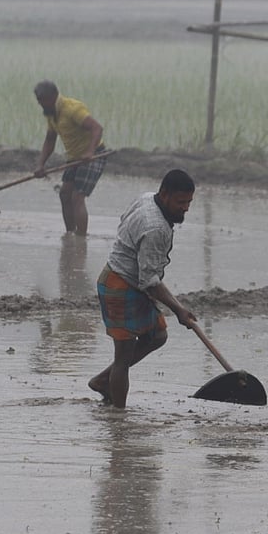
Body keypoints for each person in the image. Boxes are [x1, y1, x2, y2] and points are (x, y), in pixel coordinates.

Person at [88, 170, 198, 408]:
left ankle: (102, 380)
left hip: (128, 281)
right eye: (180, 202)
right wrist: (179, 310)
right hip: (120, 287)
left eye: (189, 202)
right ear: (165, 194)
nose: (185, 208)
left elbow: (124, 221)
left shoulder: (148, 198)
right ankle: (119, 419)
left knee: (157, 336)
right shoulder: (155, 228)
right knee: (123, 357)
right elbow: (149, 281)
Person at [31, 80, 108, 236]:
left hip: (93, 155)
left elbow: (97, 128)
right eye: (38, 101)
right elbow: (50, 140)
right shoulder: (51, 113)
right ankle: (69, 234)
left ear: (51, 97)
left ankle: (81, 238)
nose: (40, 104)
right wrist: (40, 165)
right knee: (65, 194)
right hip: (74, 158)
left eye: (41, 100)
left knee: (77, 197)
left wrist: (90, 152)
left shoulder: (72, 109)